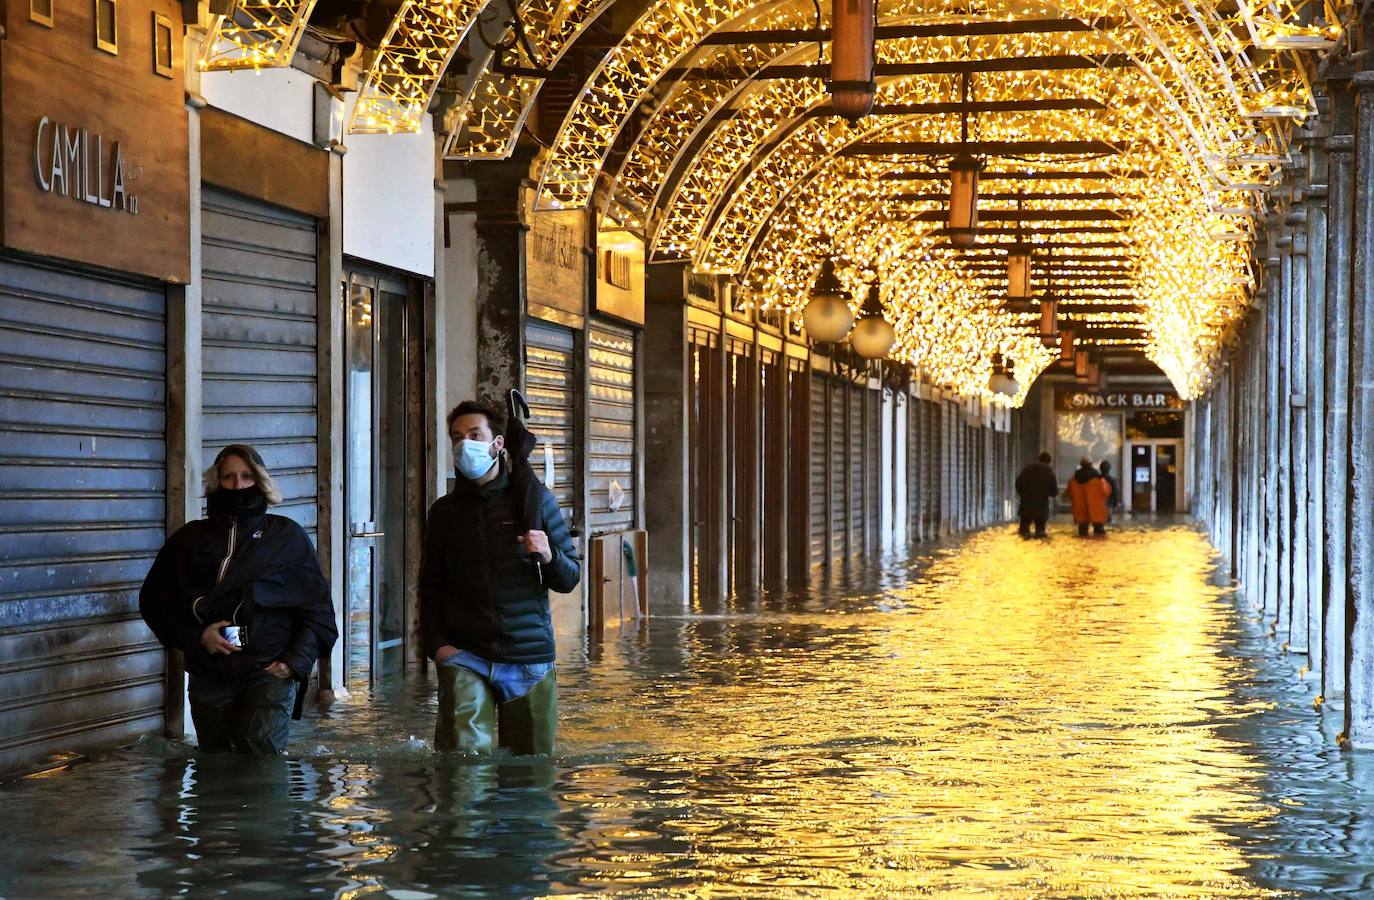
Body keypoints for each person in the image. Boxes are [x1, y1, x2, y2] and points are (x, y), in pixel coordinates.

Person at [139, 444, 337, 754]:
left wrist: (293, 662)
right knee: (215, 766)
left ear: (260, 480)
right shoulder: (190, 539)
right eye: (229, 477)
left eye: (246, 476)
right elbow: (155, 601)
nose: (238, 485)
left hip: (268, 669)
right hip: (210, 672)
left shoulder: (287, 537)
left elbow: (319, 613)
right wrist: (197, 635)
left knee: (262, 760)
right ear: (216, 481)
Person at [420, 400, 581, 755]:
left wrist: (549, 554)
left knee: (530, 777)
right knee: (462, 771)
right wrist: (437, 647)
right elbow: (430, 584)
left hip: (529, 659)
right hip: (465, 657)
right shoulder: (445, 513)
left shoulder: (535, 502)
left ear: (498, 444)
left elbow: (569, 579)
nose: (465, 444)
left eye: (475, 435)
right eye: (457, 437)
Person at [1065, 456, 1113, 536]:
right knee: (1099, 534)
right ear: (1091, 464)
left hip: (1080, 510)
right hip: (1097, 510)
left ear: (1081, 464)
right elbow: (1107, 492)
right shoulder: (1098, 478)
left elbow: (1069, 493)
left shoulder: (1074, 479)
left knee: (1082, 533)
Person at [1015, 451, 1058, 538]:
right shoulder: (1049, 472)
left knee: (1024, 530)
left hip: (1026, 505)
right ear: (1048, 462)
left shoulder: (1027, 469)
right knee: (1040, 532)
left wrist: (1023, 495)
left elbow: (1018, 483)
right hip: (1042, 507)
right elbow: (1054, 492)